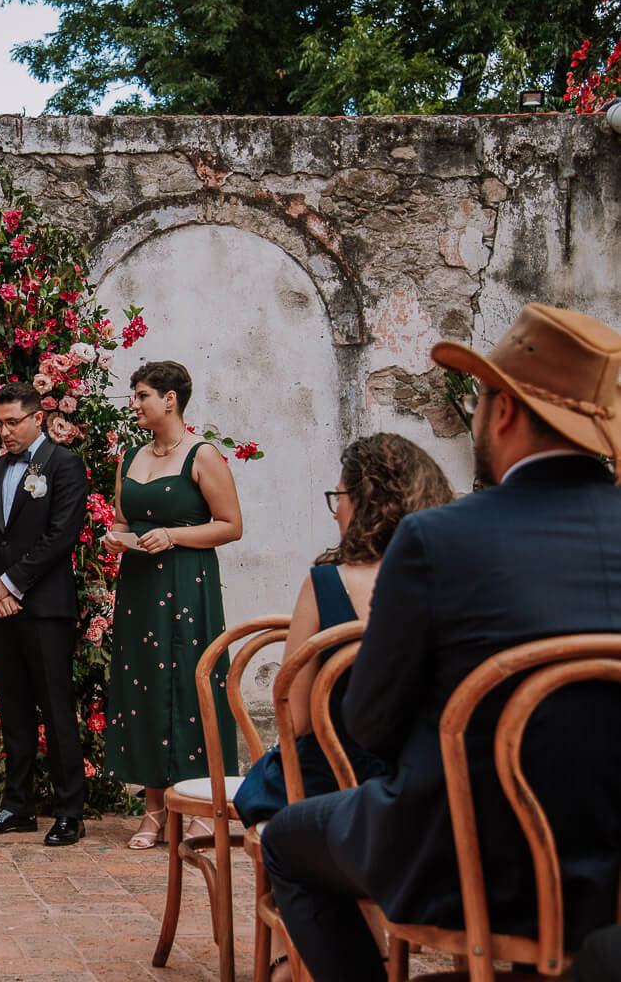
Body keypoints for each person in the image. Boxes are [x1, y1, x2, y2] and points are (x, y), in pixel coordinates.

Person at [262, 303, 621, 982]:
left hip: (467, 862)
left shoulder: (438, 539)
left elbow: (370, 723)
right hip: (610, 870)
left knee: (285, 841)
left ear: (503, 411)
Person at [232, 433, 454, 980]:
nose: (336, 512)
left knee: (276, 806)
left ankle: (289, 956)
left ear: (365, 502)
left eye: (340, 498)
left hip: (336, 776)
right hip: (438, 779)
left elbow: (298, 718)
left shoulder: (327, 582)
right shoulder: (457, 580)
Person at [101, 360, 243, 849]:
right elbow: (122, 521)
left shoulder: (202, 455)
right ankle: (154, 811)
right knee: (143, 687)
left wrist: (173, 535)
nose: (135, 403)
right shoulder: (130, 457)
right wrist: (115, 538)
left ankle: (203, 808)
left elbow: (231, 525)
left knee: (189, 685)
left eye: (142, 394)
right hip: (139, 588)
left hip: (187, 585)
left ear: (170, 399)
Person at [0, 381, 90, 846]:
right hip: (1, 608)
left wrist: (10, 582)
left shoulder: (63, 464)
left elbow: (61, 535)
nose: (5, 431)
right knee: (13, 710)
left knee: (56, 711)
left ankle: (69, 812)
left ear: (39, 418)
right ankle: (17, 807)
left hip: (45, 608)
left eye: (13, 422)